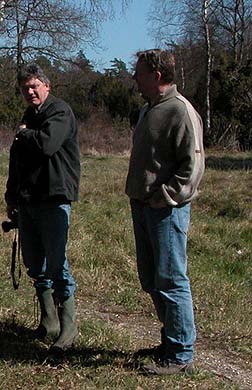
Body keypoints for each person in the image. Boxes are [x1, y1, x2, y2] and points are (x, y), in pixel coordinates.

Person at [127, 49, 204, 376]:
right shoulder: (149, 109)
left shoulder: (180, 111)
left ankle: (181, 353)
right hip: (142, 205)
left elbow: (194, 165)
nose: (134, 78)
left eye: (139, 72)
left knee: (171, 279)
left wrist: (167, 197)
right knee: (151, 278)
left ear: (156, 75)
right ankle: (171, 341)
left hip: (166, 210)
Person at [5, 63, 80, 352]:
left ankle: (68, 329)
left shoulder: (60, 111)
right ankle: (48, 322)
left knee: (57, 264)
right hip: (28, 200)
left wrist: (24, 134)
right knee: (36, 265)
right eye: (25, 88)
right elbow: (17, 160)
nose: (30, 91)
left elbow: (47, 145)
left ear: (47, 86)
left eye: (35, 86)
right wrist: (12, 196)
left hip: (54, 198)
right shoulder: (28, 116)